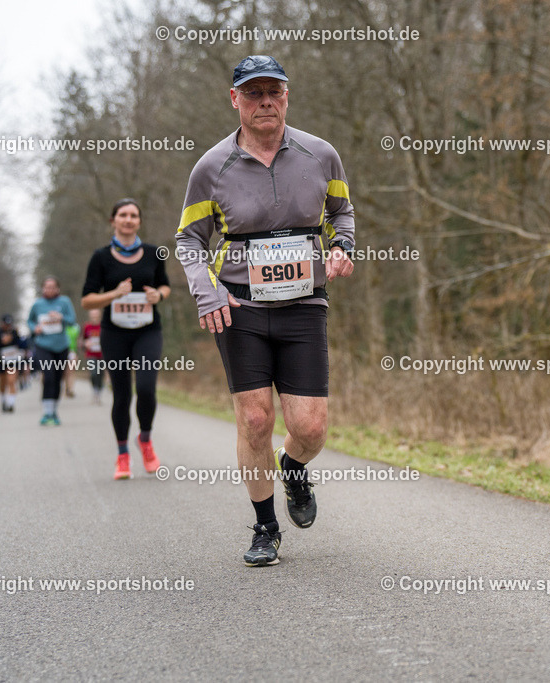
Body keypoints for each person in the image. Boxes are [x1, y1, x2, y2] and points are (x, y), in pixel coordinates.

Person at [176, 55, 355, 567]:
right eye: (252, 93)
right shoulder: (212, 167)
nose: (264, 102)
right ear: (235, 100)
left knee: (311, 428)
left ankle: (293, 469)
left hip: (304, 306)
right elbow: (188, 239)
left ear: (286, 94)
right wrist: (205, 291)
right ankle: (265, 528)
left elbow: (342, 210)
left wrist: (343, 245)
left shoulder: (320, 154)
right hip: (239, 307)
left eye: (272, 91)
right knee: (255, 419)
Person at [82, 198, 171, 480]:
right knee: (122, 394)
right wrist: (113, 294)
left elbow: (164, 285)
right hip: (114, 333)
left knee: (146, 388)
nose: (128, 219)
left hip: (147, 330)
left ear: (139, 221)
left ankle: (145, 440)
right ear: (113, 221)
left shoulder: (154, 253)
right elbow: (87, 300)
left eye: (134, 215)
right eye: (123, 215)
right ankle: (122, 455)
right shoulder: (101, 257)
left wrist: (160, 295)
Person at [27, 277, 76, 425]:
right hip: (43, 345)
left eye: (53, 287)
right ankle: (46, 412)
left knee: (57, 379)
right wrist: (34, 328)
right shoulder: (37, 304)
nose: (50, 290)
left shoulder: (65, 302)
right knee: (48, 376)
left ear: (58, 289)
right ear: (43, 289)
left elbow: (72, 320)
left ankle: (53, 411)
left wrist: (61, 317)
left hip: (61, 345)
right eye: (47, 287)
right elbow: (29, 321)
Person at [0, 314, 27, 413]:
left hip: (12, 361)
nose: (8, 326)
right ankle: (3, 401)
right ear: (2, 323)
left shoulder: (14, 332)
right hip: (1, 361)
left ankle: (11, 404)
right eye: (6, 324)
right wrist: (3, 342)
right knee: (3, 382)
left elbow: (22, 345)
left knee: (11, 381)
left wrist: (16, 337)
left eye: (9, 324)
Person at [81, 309, 105, 404]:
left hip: (102, 354)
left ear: (99, 315)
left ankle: (99, 392)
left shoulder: (103, 326)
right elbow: (82, 340)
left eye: (96, 315)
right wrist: (85, 344)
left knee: (100, 374)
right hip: (90, 354)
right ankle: (95, 391)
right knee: (93, 373)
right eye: (93, 315)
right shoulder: (87, 326)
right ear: (90, 316)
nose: (94, 317)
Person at [64, 322, 81, 398]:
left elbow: (78, 340)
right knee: (64, 372)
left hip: (72, 351)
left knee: (71, 370)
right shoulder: (62, 325)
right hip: (62, 351)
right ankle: (65, 388)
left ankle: (70, 389)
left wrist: (77, 351)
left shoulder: (76, 327)